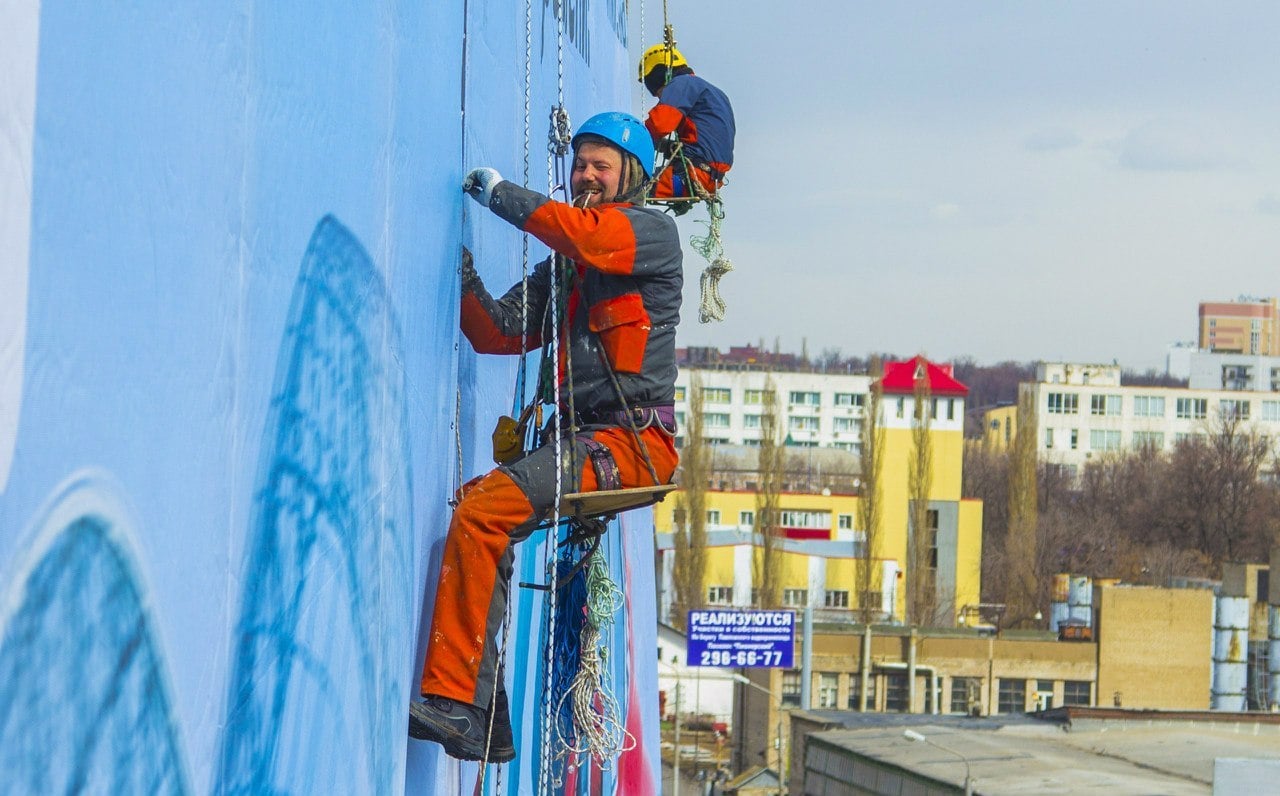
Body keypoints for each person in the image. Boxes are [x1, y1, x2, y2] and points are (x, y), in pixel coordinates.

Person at [408, 111, 683, 763]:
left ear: (631, 178)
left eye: (601, 166)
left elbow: (588, 237)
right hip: (588, 444)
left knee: (481, 512)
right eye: (579, 163)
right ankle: (488, 713)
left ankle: (457, 704)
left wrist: (499, 196)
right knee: (481, 510)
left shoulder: (650, 234)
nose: (585, 174)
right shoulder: (569, 271)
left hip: (628, 447)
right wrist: (459, 268)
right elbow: (498, 331)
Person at [638, 43, 736, 201]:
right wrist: (668, 147)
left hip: (690, 175)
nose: (659, 98)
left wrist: (632, 138)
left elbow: (659, 125)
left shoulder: (681, 84)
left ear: (658, 75)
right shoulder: (714, 93)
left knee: (624, 184)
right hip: (711, 179)